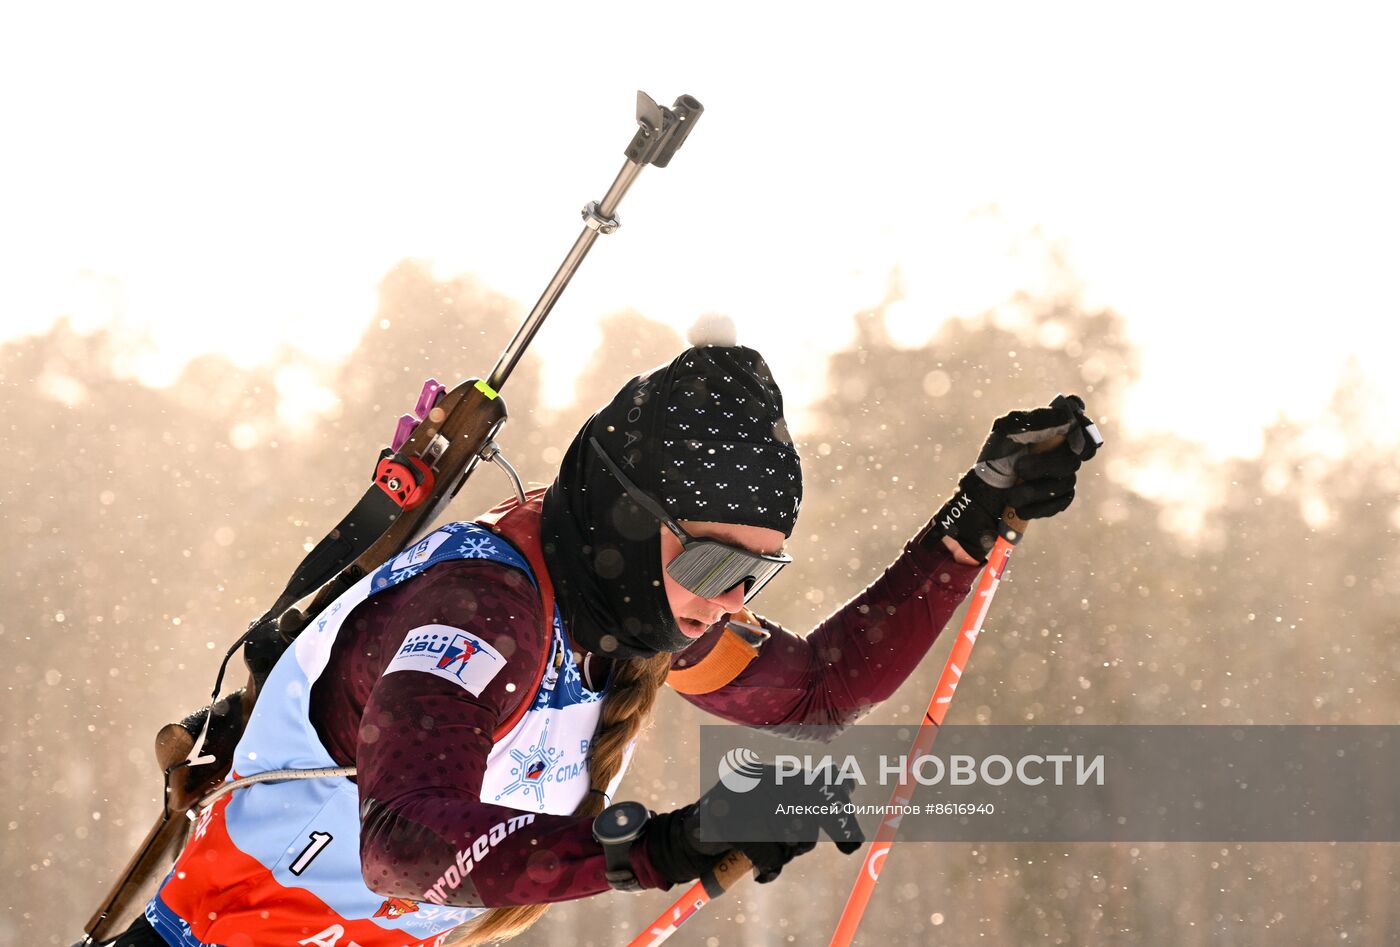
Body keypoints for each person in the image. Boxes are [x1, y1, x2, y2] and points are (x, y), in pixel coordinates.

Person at [106, 342, 1097, 947]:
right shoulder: (479, 606)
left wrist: (971, 519)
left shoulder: (625, 610)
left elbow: (815, 690)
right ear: (627, 520)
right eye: (712, 565)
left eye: (755, 574)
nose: (727, 602)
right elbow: (403, 841)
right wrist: (657, 846)